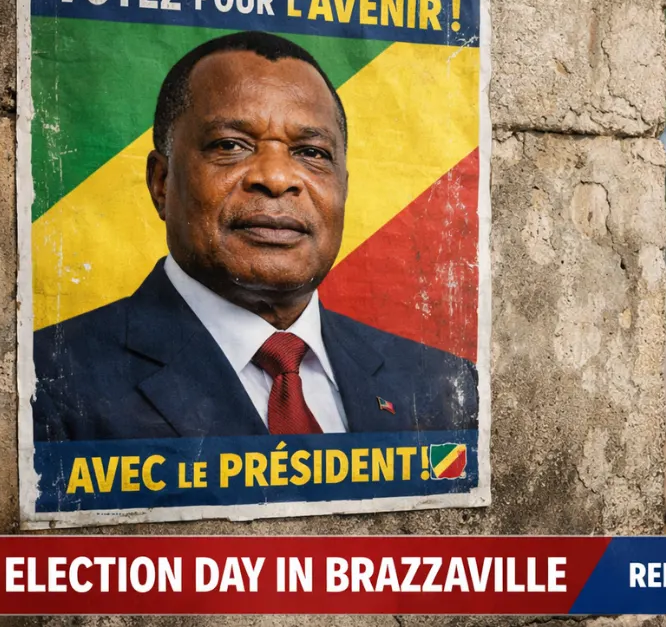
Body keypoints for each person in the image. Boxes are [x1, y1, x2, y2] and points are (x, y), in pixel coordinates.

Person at [32, 31, 479, 442]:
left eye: (311, 153)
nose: (278, 177)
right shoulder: (45, 382)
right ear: (162, 182)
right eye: (230, 145)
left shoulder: (443, 385)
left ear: (343, 185)